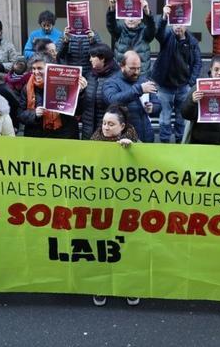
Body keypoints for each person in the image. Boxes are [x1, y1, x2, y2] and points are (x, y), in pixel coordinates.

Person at [90, 103, 139, 307]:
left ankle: (130, 285)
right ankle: (101, 285)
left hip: (126, 205)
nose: (105, 127)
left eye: (111, 124)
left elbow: (147, 166)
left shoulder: (134, 141)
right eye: (104, 123)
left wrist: (133, 150)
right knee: (101, 245)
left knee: (127, 246)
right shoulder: (93, 141)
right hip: (100, 203)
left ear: (122, 126)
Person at [152, 4, 202, 143]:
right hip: (165, 86)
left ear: (186, 25)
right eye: (175, 23)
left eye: (181, 24)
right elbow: (158, 33)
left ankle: (180, 143)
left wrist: (191, 82)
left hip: (183, 87)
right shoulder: (167, 36)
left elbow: (198, 63)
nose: (178, 27)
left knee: (182, 118)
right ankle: (164, 143)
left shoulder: (192, 42)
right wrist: (164, 17)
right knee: (165, 119)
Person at [19, 54, 87, 139]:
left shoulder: (65, 83)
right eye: (33, 68)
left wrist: (79, 93)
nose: (36, 72)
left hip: (64, 135)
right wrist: (34, 114)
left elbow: (78, 111)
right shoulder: (27, 88)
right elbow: (20, 114)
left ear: (49, 68)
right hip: (38, 137)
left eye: (39, 68)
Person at [103, 51, 162, 143]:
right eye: (132, 68)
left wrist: (152, 108)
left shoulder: (144, 81)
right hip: (124, 137)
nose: (136, 72)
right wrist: (139, 90)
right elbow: (112, 100)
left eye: (139, 68)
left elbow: (158, 104)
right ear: (122, 66)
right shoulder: (111, 82)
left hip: (146, 134)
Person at [106, 0, 157, 76]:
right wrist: (112, 9)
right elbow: (111, 25)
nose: (131, 19)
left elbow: (152, 29)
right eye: (128, 16)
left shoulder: (145, 32)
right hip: (121, 75)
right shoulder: (120, 30)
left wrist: (147, 13)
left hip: (141, 76)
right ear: (124, 18)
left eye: (134, 16)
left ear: (140, 19)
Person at [80, 43, 120, 141]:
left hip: (107, 132)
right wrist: (81, 92)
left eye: (93, 56)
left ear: (102, 58)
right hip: (88, 130)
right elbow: (81, 106)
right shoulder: (89, 75)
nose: (90, 59)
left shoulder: (117, 77)